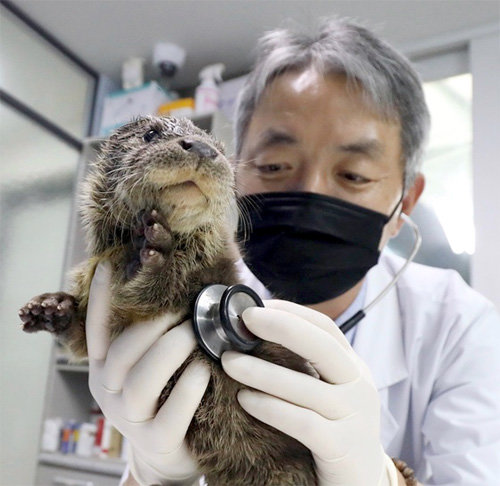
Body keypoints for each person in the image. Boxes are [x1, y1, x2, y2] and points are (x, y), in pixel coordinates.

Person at [86, 18, 500, 486]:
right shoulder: (188, 292)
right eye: (274, 166)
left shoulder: (460, 327)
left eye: (354, 175)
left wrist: (381, 480)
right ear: (236, 174)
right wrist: (153, 475)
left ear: (404, 203)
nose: (309, 193)